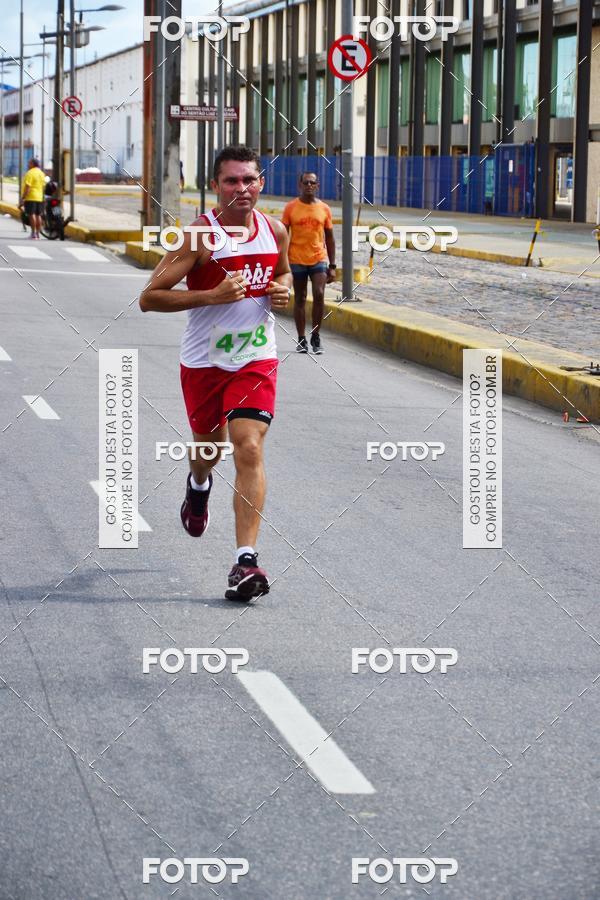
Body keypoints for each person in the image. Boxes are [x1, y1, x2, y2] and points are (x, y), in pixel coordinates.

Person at [139, 145, 292, 601]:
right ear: (215, 186)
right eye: (231, 181)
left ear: (261, 183)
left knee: (247, 446)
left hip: (256, 358)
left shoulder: (276, 230)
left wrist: (281, 291)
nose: (241, 189)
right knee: (209, 450)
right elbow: (150, 297)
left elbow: (281, 273)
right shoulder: (198, 239)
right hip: (205, 363)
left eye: (249, 179)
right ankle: (198, 484)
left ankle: (245, 561)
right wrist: (212, 296)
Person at [281, 173, 336, 354]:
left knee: (319, 294)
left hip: (318, 258)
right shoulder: (291, 208)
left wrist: (333, 266)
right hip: (296, 259)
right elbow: (282, 236)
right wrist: (281, 262)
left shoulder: (324, 209)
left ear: (317, 186)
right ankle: (301, 338)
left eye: (313, 183)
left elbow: (330, 237)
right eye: (306, 182)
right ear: (300, 184)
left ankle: (316, 335)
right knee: (300, 298)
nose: (309, 186)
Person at [19, 157, 46, 240]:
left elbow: (28, 187)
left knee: (32, 215)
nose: (28, 164)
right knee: (38, 215)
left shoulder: (30, 173)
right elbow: (43, 186)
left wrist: (23, 197)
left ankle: (33, 234)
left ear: (33, 164)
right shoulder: (41, 173)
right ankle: (38, 234)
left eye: (29, 163)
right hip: (39, 197)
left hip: (31, 197)